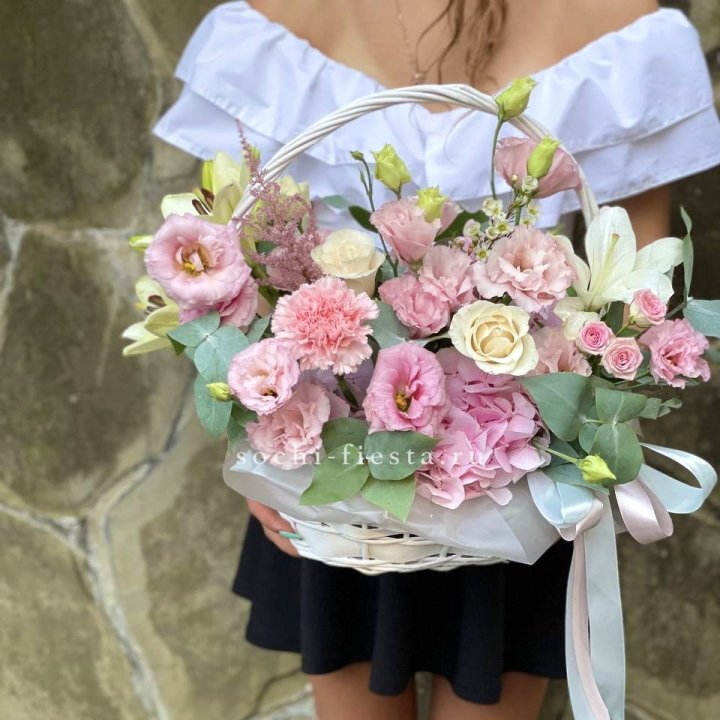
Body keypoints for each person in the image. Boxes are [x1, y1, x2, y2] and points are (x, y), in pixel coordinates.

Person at [154, 1, 720, 718]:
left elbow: (638, 295)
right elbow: (231, 274)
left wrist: (593, 439)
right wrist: (254, 448)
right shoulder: (272, 23)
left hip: (517, 478)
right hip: (330, 467)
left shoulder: (624, 28)